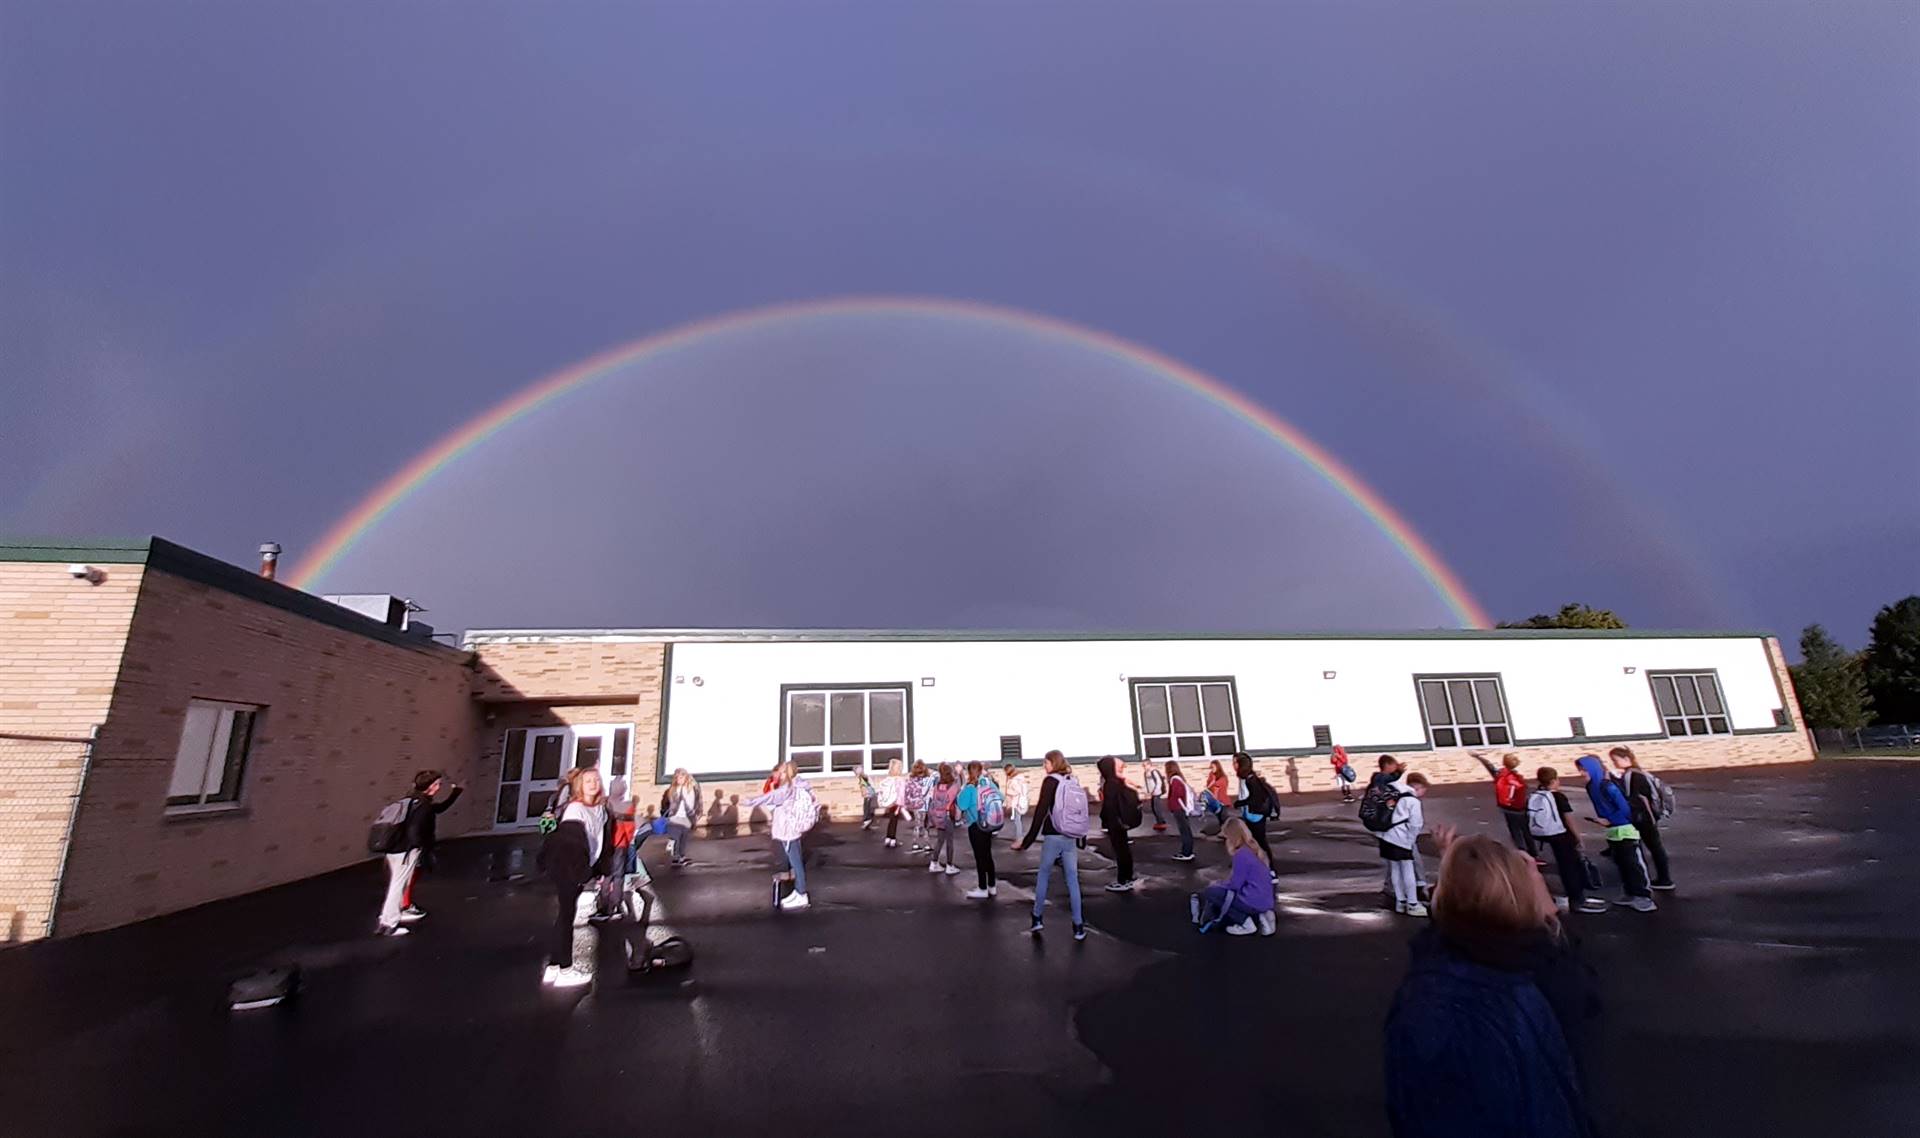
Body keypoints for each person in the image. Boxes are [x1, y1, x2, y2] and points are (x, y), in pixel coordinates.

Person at [1384, 832, 1600, 1138]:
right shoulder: (1537, 979)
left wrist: (1459, 874)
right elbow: (1580, 994)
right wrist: (1550, 918)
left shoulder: (1428, 978)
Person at [537, 767, 616, 987]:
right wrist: (583, 874)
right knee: (566, 917)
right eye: (588, 780)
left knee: (564, 916)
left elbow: (603, 843)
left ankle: (553, 967)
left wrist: (602, 872)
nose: (593, 784)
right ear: (580, 785)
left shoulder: (601, 809)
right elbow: (569, 846)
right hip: (567, 868)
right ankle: (565, 969)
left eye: (596, 780)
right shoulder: (575, 810)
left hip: (582, 867)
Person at [375, 769, 462, 936]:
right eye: (437, 784)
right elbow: (415, 829)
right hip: (406, 850)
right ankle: (389, 924)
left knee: (397, 884)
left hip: (394, 849)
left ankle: (388, 918)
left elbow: (439, 808)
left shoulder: (412, 800)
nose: (438, 787)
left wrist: (456, 793)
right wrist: (418, 846)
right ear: (431, 786)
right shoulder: (423, 805)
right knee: (398, 886)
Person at [1015, 751, 1088, 940]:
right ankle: (1078, 925)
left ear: (1052, 763)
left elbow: (1041, 810)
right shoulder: (1072, 779)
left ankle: (1037, 917)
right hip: (1070, 834)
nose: (1044, 766)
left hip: (1053, 834)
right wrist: (1081, 835)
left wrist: (1027, 840)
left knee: (1044, 875)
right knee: (1072, 879)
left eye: (1045, 763)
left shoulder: (1050, 781)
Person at [1576, 755, 1654, 911]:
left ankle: (1644, 896)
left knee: (1633, 864)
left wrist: (1610, 819)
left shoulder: (1607, 786)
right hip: (1613, 831)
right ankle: (1631, 893)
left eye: (1583, 770)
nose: (1581, 774)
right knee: (1621, 863)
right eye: (1580, 770)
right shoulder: (1592, 787)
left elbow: (1624, 809)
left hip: (1625, 829)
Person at [1531, 767, 1608, 914]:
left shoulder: (1538, 795)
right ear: (1554, 780)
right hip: (1564, 835)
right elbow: (1568, 819)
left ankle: (1577, 897)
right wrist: (1578, 837)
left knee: (1565, 866)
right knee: (1571, 868)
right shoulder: (1558, 797)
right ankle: (1577, 899)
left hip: (1550, 835)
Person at [745, 760, 818, 910]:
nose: (780, 774)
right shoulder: (798, 786)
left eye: (784, 771)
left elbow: (770, 798)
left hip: (788, 831)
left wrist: (749, 801)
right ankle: (797, 892)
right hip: (791, 830)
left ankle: (801, 894)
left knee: (797, 864)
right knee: (796, 862)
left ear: (789, 772)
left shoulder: (788, 789)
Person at [1190, 817, 1278, 935]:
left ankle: (1245, 923)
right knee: (1223, 892)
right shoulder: (1255, 849)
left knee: (1212, 893)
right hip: (1266, 899)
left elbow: (1235, 885)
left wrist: (1218, 884)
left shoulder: (1241, 854)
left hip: (1252, 899)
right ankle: (1264, 914)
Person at [1607, 747, 1674, 891]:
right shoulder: (1639, 773)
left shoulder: (1633, 776)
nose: (1614, 763)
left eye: (1615, 760)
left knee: (1652, 847)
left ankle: (1662, 879)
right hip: (1648, 816)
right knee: (1655, 847)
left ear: (1626, 759)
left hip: (1643, 817)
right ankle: (1664, 878)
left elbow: (1639, 798)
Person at [1381, 772, 1431, 917]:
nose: (1423, 794)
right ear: (1417, 787)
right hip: (1403, 838)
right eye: (1423, 790)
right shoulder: (1413, 801)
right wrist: (1410, 839)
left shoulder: (1394, 796)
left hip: (1388, 836)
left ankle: (1400, 901)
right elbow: (1416, 824)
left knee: (1395, 868)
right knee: (1408, 868)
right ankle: (1413, 903)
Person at [1473, 751, 1539, 860]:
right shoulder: (1517, 777)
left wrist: (1479, 757)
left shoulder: (1500, 774)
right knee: (1525, 830)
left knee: (1515, 831)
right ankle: (1533, 854)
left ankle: (1522, 853)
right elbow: (1524, 791)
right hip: (1520, 807)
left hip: (1506, 807)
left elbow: (1489, 766)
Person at [1096, 755, 1141, 892]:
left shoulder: (1110, 784)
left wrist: (1104, 819)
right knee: (1125, 851)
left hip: (1115, 822)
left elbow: (1109, 806)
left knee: (1120, 851)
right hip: (1122, 821)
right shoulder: (1119, 781)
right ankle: (1128, 877)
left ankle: (1123, 880)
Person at [957, 761, 1000, 899]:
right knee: (988, 855)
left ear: (969, 772)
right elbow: (1001, 797)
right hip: (989, 822)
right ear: (981, 771)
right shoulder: (988, 784)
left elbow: (962, 805)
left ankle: (982, 887)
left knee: (979, 856)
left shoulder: (969, 788)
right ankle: (992, 886)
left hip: (975, 825)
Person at [1233, 753, 1280, 879]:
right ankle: (1259, 868)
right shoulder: (1244, 778)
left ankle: (1271, 870)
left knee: (1260, 842)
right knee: (1252, 842)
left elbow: (1255, 798)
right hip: (1249, 814)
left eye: (1235, 762)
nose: (1233, 765)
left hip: (1256, 815)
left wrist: (1239, 803)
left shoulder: (1250, 779)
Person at [660, 768, 701, 867]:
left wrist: (695, 816)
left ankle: (681, 856)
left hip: (686, 818)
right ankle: (676, 857)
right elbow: (665, 803)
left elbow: (695, 803)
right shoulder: (672, 790)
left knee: (684, 839)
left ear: (686, 777)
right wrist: (666, 815)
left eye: (681, 777)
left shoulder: (691, 789)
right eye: (677, 777)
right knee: (675, 838)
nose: (679, 779)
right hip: (674, 818)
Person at [927, 762, 962, 875]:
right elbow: (955, 799)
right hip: (948, 815)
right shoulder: (954, 785)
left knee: (940, 839)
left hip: (937, 815)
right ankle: (949, 865)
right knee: (949, 841)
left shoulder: (937, 786)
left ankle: (934, 862)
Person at [1165, 760, 1197, 861]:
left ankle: (1186, 852)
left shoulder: (1175, 780)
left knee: (1184, 830)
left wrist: (1173, 805)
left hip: (1179, 809)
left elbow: (1177, 795)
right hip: (1181, 808)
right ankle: (1188, 851)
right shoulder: (1179, 779)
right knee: (1185, 830)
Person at [876, 758, 908, 848]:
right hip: (896, 803)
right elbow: (901, 794)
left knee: (891, 820)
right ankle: (893, 839)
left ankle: (888, 838)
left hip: (889, 803)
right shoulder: (900, 780)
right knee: (894, 821)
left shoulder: (887, 779)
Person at [904, 761, 935, 854]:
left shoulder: (910, 780)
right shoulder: (927, 779)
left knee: (917, 824)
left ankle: (915, 843)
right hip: (924, 804)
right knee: (925, 825)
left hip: (915, 805)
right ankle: (927, 843)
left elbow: (907, 793)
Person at [1003, 762, 1031, 843]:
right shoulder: (1021, 778)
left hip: (1016, 802)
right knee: (1018, 819)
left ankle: (1019, 837)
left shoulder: (1013, 780)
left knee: (1017, 820)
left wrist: (1009, 792)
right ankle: (1019, 836)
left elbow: (1016, 791)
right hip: (1021, 801)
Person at [1143, 760, 1168, 832]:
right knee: (1154, 808)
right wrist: (1147, 792)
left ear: (1149, 765)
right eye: (1143, 766)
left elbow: (1159, 782)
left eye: (1145, 765)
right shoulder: (1146, 773)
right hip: (1152, 792)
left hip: (1157, 792)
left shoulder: (1154, 772)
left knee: (1157, 807)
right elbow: (1147, 783)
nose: (1144, 767)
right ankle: (1159, 821)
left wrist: (1156, 790)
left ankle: (1161, 821)